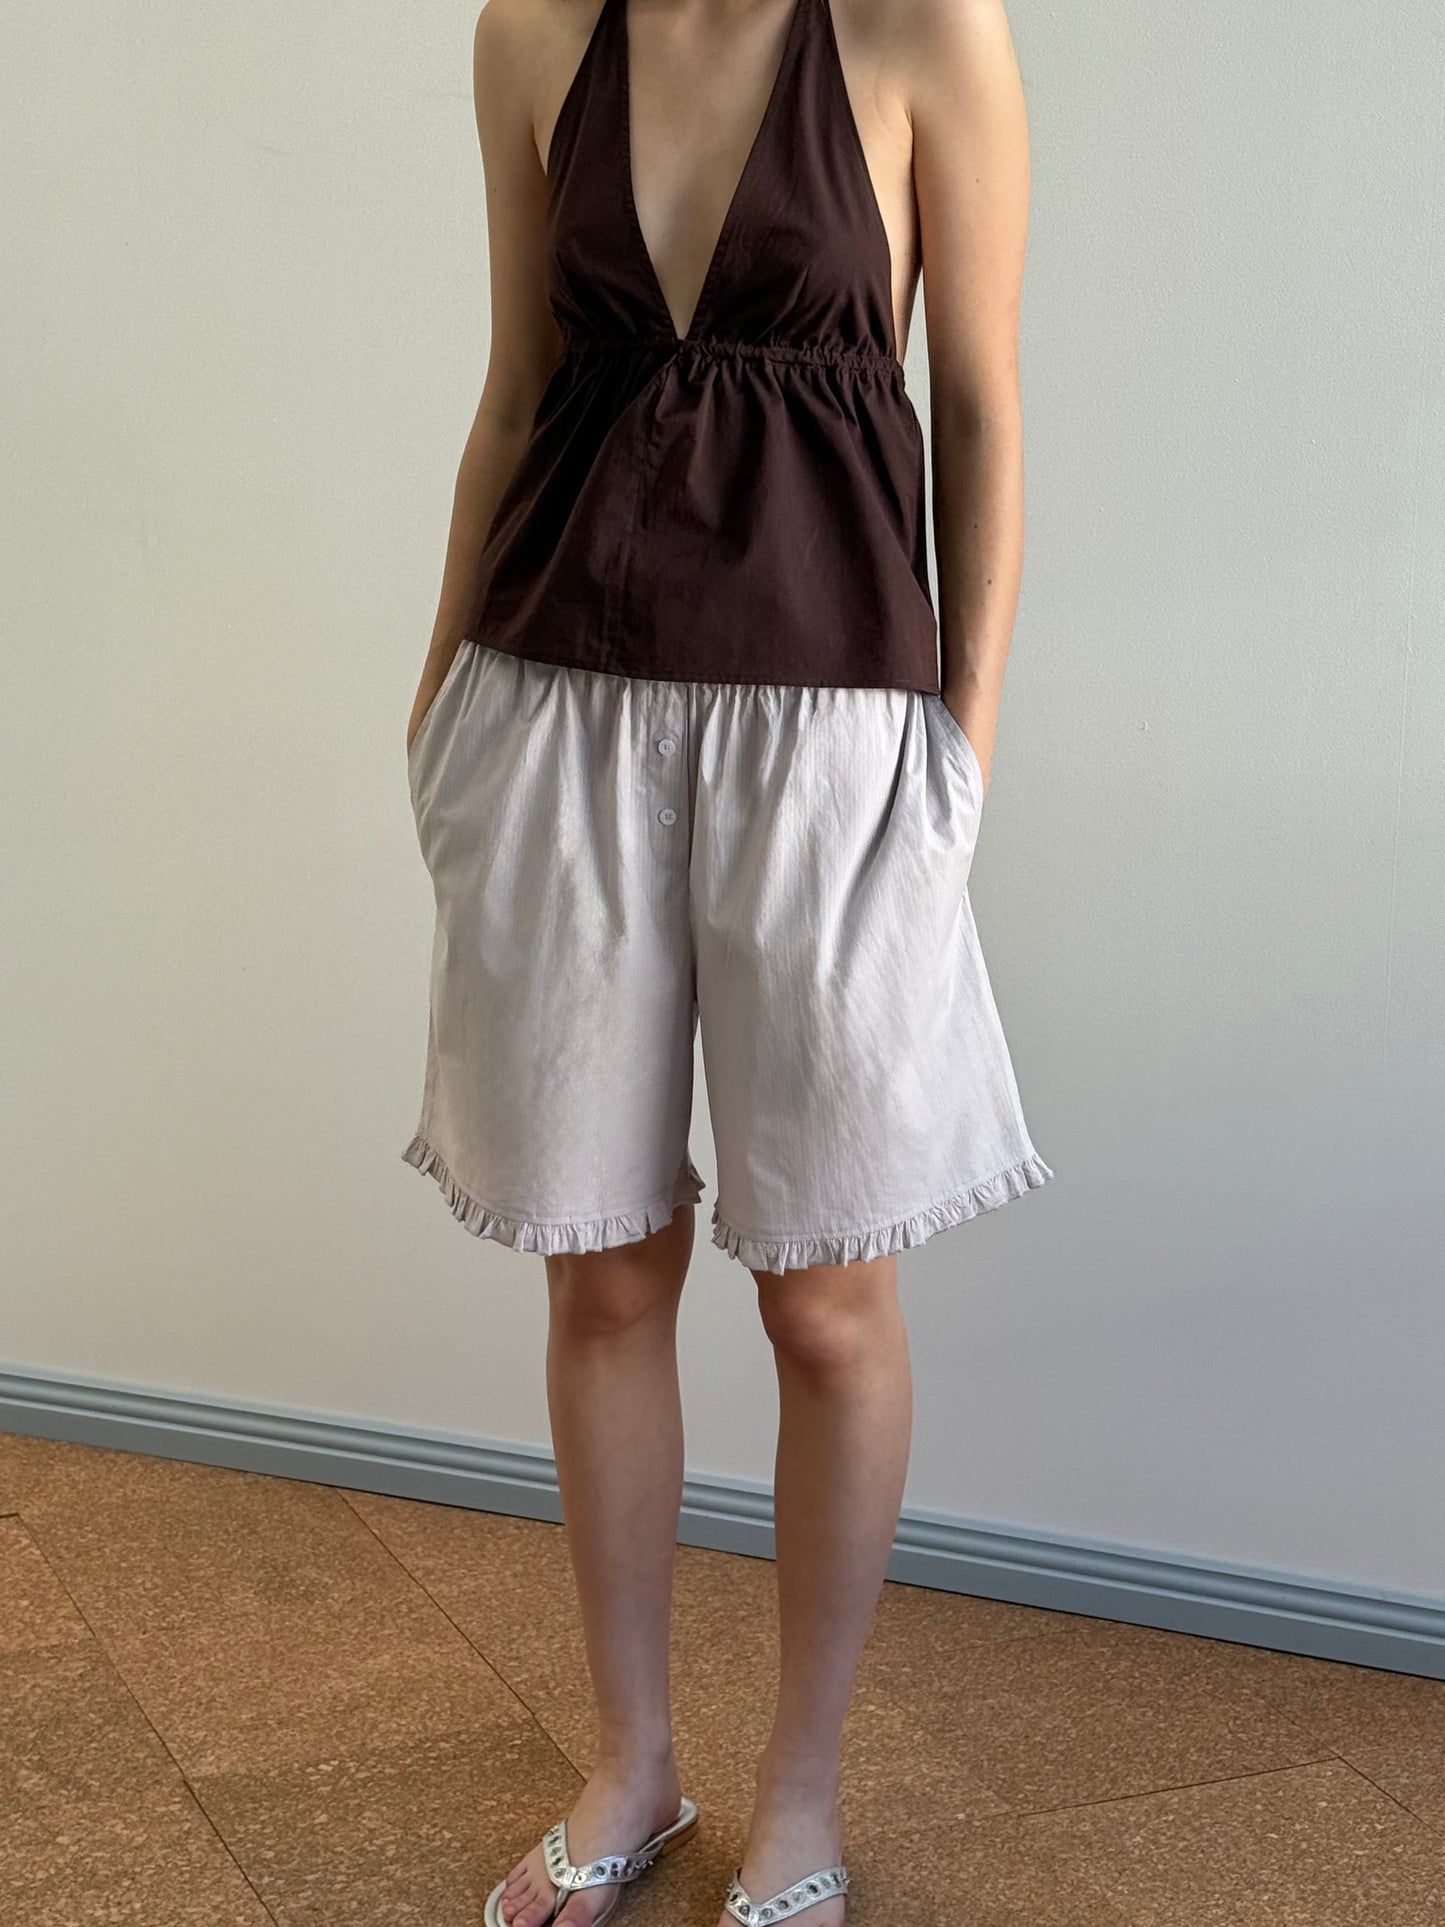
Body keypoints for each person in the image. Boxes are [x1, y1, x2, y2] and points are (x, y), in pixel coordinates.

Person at [401, 0, 1046, 1919]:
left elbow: (986, 402)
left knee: (828, 1299)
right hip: (556, 708)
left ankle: (806, 1792)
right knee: (605, 1275)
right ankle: (633, 1770)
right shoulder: (531, 35)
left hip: (835, 730)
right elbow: (519, 389)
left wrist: (962, 754)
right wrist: (434, 695)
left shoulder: (931, 33)